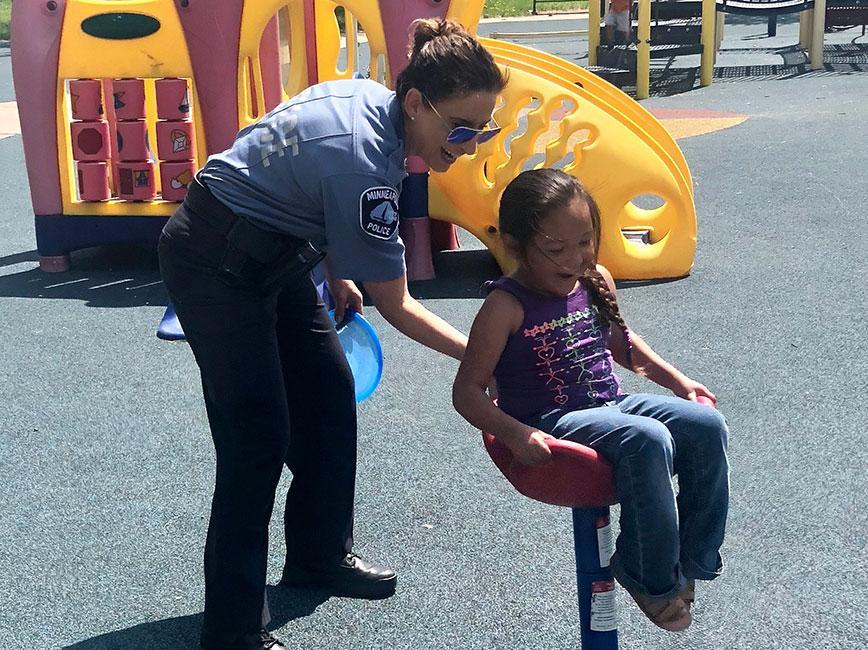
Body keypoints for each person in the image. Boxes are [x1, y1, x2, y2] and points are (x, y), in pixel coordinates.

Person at [158, 18, 507, 650]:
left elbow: (284, 164)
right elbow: (397, 306)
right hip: (213, 263)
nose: (472, 143)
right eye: (461, 129)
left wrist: (330, 264)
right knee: (257, 437)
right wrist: (486, 358)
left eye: (485, 129)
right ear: (415, 104)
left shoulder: (372, 107)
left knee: (327, 395)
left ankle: (318, 556)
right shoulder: (365, 163)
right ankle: (232, 628)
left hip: (277, 250)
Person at [452, 169, 729, 632]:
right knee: (649, 437)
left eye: (585, 242)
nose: (575, 258)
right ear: (517, 246)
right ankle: (646, 573)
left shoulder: (594, 279)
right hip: (553, 418)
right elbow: (466, 391)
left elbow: (623, 345)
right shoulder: (506, 306)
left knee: (706, 426)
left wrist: (680, 383)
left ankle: (691, 562)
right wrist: (516, 433)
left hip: (611, 404)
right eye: (555, 249)